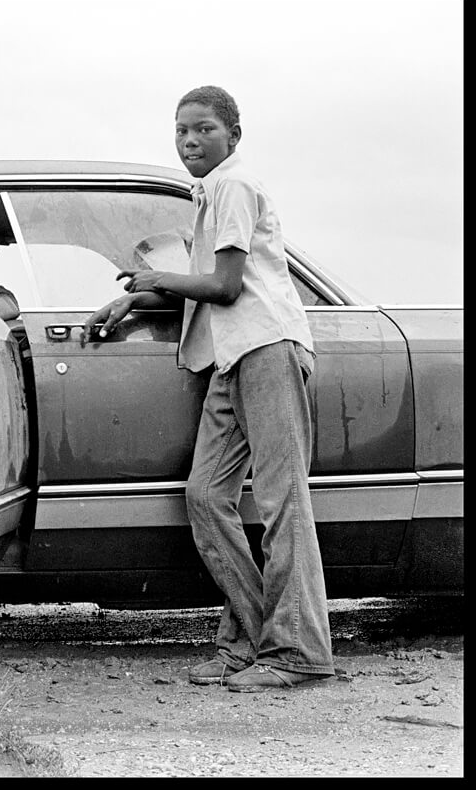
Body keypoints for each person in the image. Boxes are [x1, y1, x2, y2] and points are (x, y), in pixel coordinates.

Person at [83, 86, 334, 692]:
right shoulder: (212, 193)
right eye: (181, 131)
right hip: (229, 358)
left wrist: (154, 275)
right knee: (205, 495)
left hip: (267, 347)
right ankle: (252, 637)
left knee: (281, 500)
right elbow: (203, 283)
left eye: (203, 130)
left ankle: (299, 651)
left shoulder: (234, 186)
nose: (190, 141)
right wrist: (134, 298)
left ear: (233, 135)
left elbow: (223, 285)